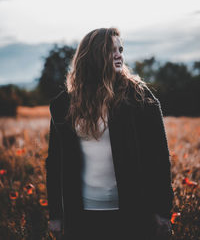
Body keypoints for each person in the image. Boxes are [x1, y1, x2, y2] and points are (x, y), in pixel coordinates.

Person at [45, 27, 174, 240]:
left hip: (134, 212)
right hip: (81, 214)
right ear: (92, 55)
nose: (118, 55)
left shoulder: (139, 98)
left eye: (120, 49)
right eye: (110, 50)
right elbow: (55, 161)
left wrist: (162, 211)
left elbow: (159, 157)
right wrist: (56, 215)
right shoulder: (64, 104)